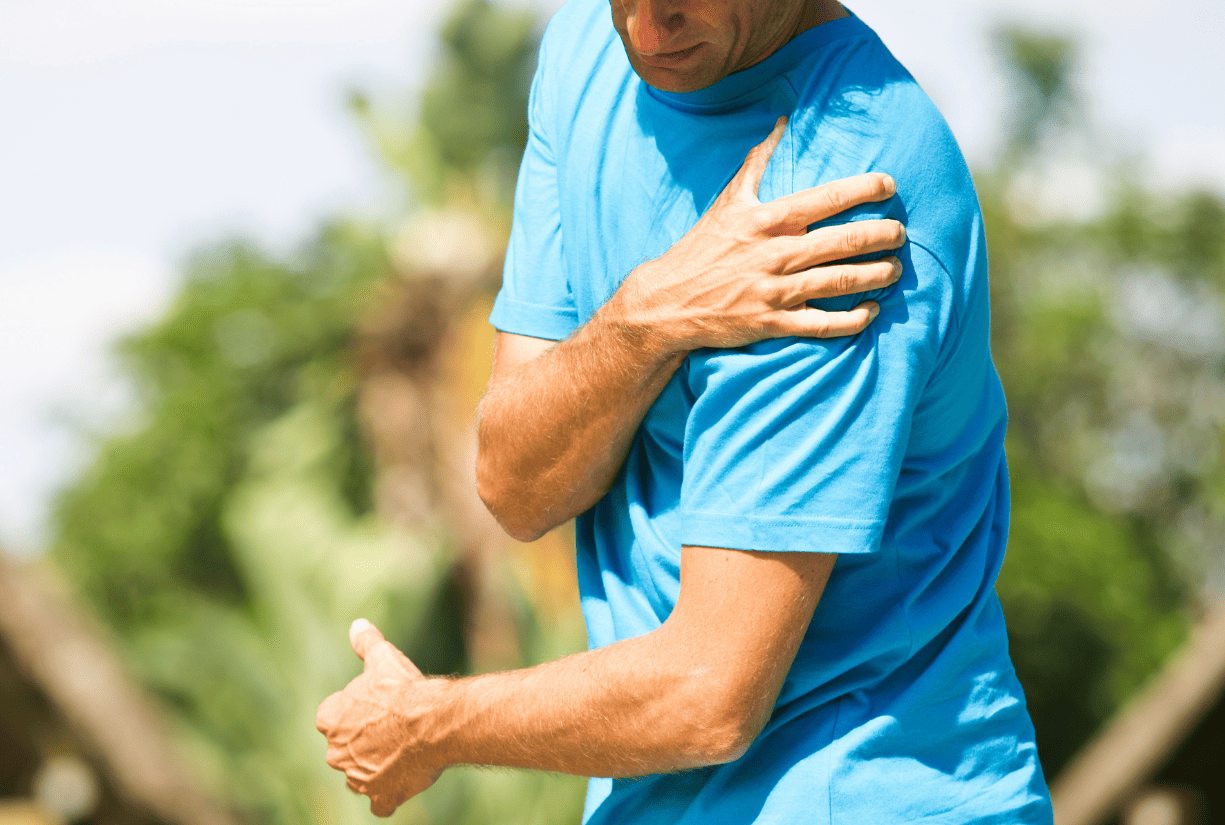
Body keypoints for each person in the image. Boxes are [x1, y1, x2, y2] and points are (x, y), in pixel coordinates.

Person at [316, 0, 1056, 822]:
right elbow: (516, 483)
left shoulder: (841, 198)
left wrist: (429, 724)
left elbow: (707, 693)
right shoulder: (583, 50)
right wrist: (648, 318)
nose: (648, 26)